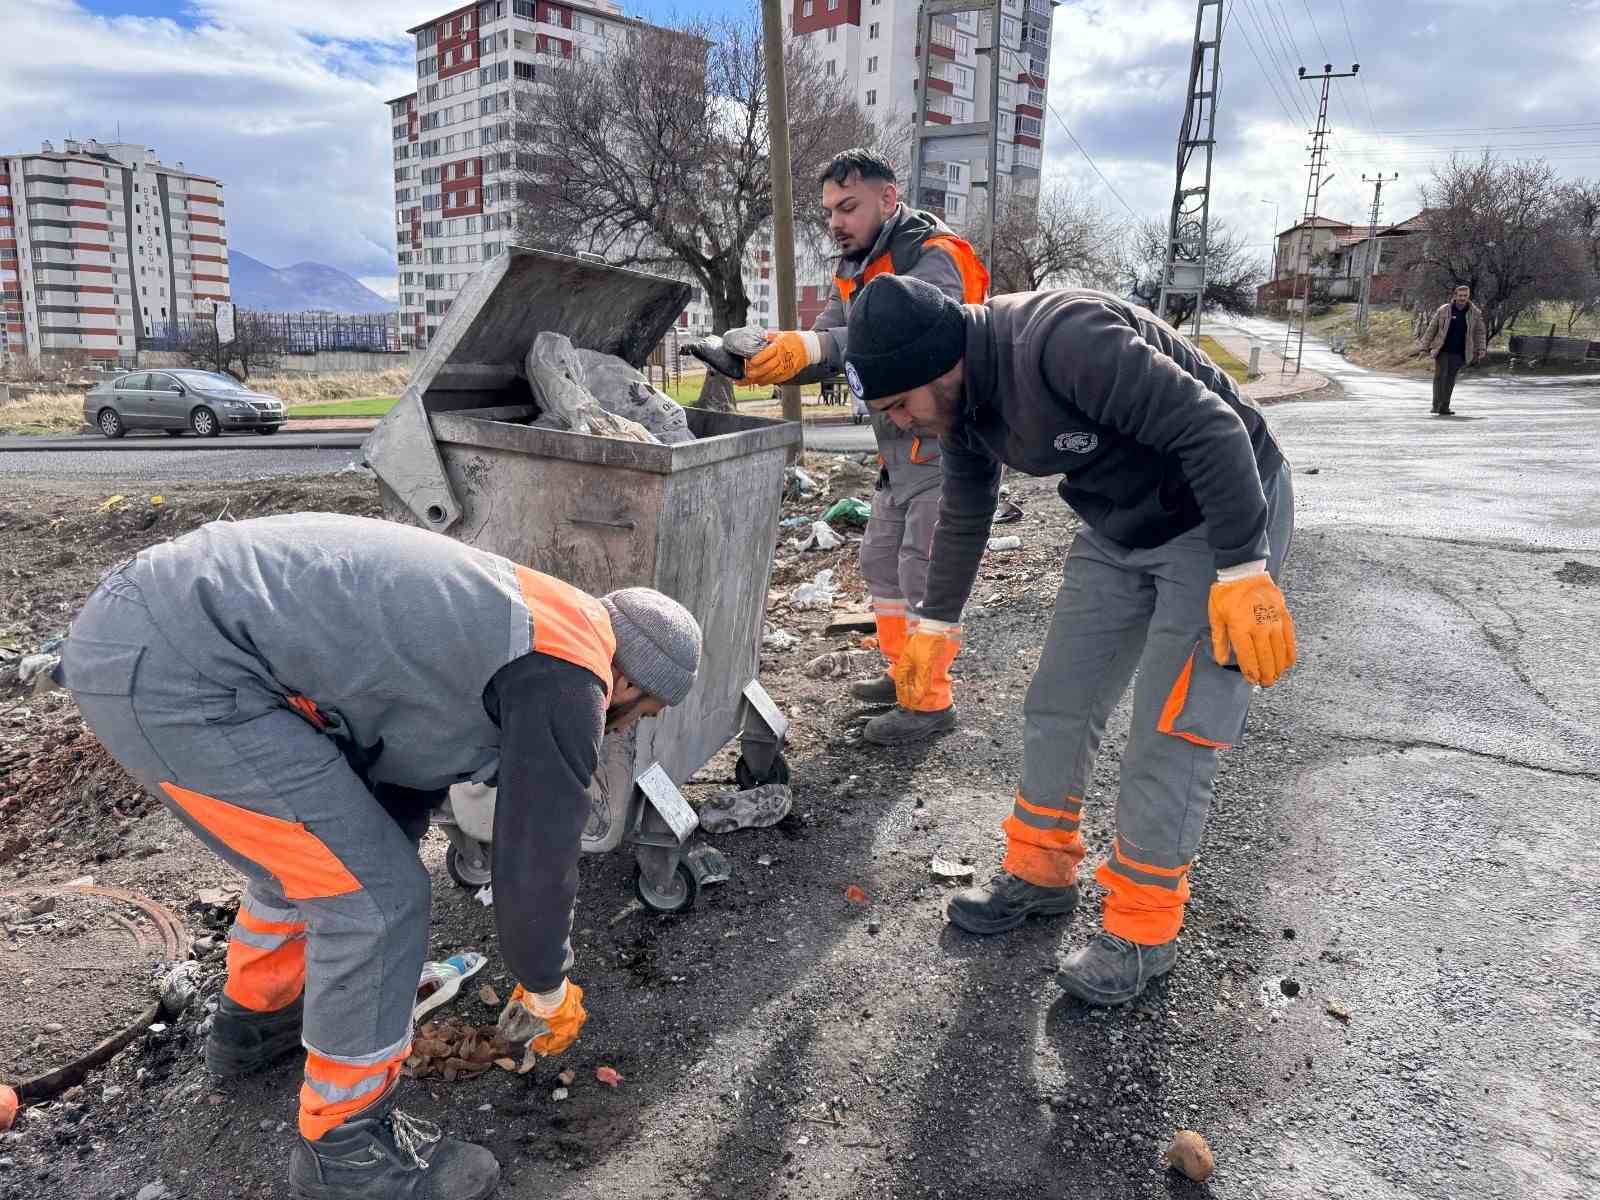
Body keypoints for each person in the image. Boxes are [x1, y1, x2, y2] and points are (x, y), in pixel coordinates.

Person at [54, 514, 703, 1200]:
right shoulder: (571, 678)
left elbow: (400, 767)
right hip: (183, 668)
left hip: (152, 621)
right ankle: (348, 1150)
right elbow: (536, 859)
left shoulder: (530, 621)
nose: (629, 724)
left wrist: (382, 853)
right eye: (645, 710)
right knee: (377, 902)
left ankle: (258, 1023)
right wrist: (547, 983)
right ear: (629, 682)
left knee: (322, 858)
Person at [843, 275, 1297, 1006]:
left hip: (1221, 511)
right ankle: (1041, 871)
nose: (900, 423)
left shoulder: (1062, 339)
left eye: (899, 404)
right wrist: (935, 626)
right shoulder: (960, 405)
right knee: (1059, 700)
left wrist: (1244, 570)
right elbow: (966, 509)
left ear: (942, 363)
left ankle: (1143, 928)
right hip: (1119, 523)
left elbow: (1214, 429)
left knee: (1170, 728)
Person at [742, 148, 989, 746]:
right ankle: (903, 673)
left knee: (922, 568)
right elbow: (829, 338)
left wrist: (817, 348)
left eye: (848, 207)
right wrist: (776, 354)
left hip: (941, 439)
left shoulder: (934, 255)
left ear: (888, 198)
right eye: (829, 210)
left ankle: (929, 701)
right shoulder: (854, 267)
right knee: (881, 562)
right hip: (895, 451)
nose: (836, 222)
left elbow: (916, 335)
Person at [1417, 283, 1487, 415]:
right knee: (1440, 377)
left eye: (1465, 296)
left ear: (1468, 296)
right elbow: (1431, 329)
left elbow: (1480, 332)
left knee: (1450, 379)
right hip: (1442, 350)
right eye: (1460, 295)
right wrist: (1424, 348)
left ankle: (1445, 407)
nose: (1462, 298)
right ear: (1455, 296)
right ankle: (1436, 405)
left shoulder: (1475, 313)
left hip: (1460, 352)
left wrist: (1481, 348)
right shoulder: (1444, 310)